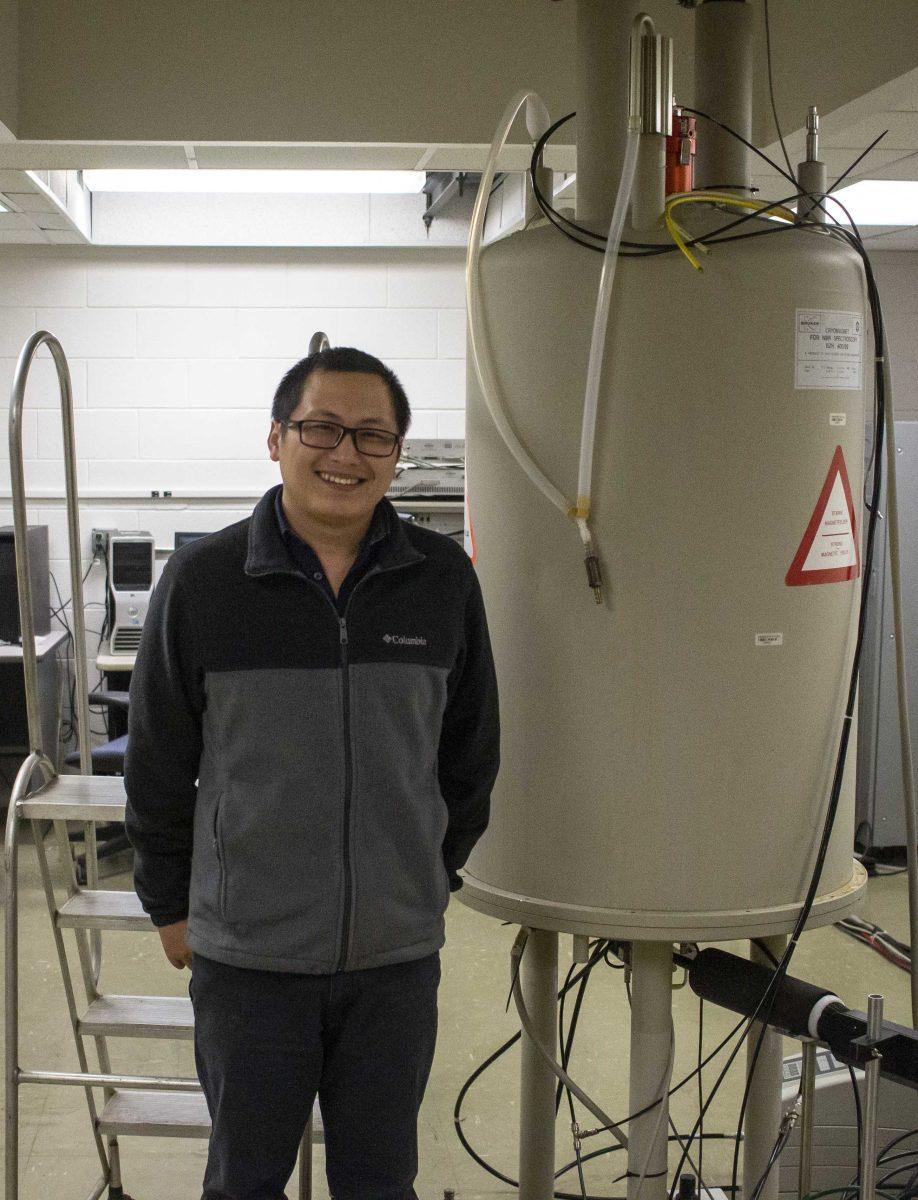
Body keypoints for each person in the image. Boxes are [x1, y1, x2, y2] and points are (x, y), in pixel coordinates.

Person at [124, 346, 500, 1200]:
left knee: (378, 1181)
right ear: (276, 439)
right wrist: (171, 904)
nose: (346, 454)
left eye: (374, 436)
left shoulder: (441, 581)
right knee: (246, 1179)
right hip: (249, 959)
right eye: (322, 428)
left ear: (397, 453)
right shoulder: (205, 583)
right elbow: (156, 765)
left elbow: (471, 751)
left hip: (393, 963)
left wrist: (426, 877)